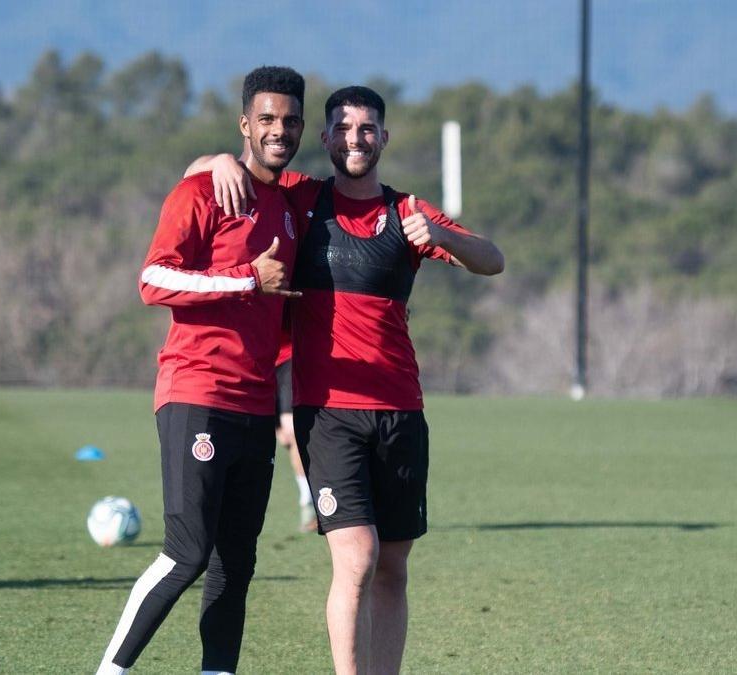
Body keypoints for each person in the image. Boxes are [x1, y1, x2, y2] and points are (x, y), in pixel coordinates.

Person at [190, 85, 504, 674]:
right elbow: (207, 172)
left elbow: (493, 258)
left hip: (401, 411)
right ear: (326, 137)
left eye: (366, 130)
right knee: (357, 557)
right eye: (342, 128)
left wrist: (443, 238)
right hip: (328, 413)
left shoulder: (407, 211)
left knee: (393, 567)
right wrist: (219, 161)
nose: (354, 139)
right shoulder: (301, 197)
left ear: (383, 138)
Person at [95, 66, 305, 675]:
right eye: (266, 119)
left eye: (290, 121)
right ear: (245, 123)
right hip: (197, 393)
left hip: (256, 407)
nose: (278, 130)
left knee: (234, 563)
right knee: (186, 554)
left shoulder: (290, 203)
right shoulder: (204, 192)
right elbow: (152, 279)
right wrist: (245, 280)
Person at [276, 333, 318, 532]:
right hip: (255, 361)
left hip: (290, 360)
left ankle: (308, 503)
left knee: (294, 434)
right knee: (284, 438)